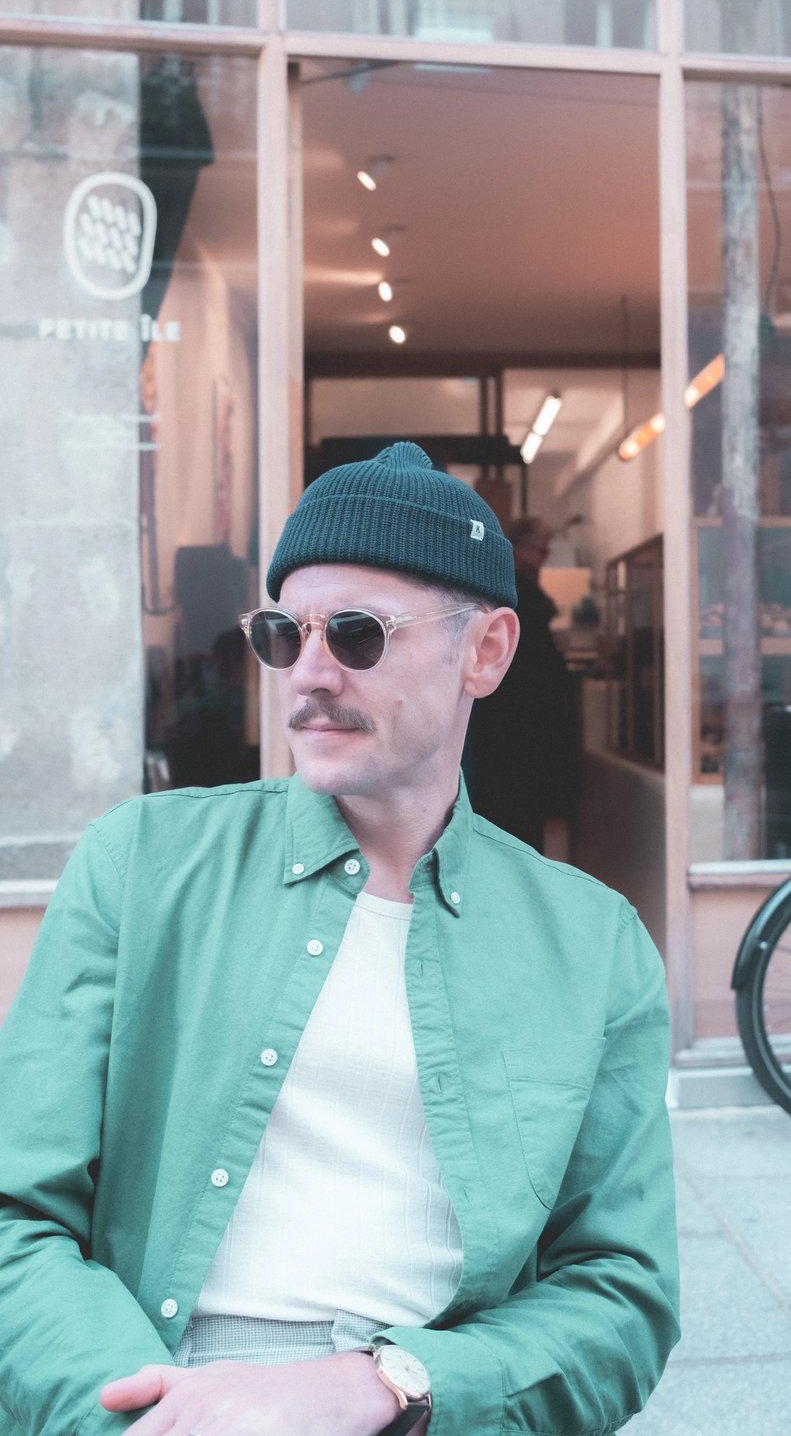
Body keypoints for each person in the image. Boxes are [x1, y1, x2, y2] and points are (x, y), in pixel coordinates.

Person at [0, 443, 679, 1436]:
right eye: (284, 634)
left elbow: (622, 1294)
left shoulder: (593, 943)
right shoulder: (142, 866)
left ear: (484, 651)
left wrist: (387, 1384)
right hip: (155, 1385)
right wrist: (149, 1414)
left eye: (357, 634)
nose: (310, 674)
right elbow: (17, 1213)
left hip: (422, 1399)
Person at [468, 515, 578, 851]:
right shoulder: (519, 598)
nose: (543, 557)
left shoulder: (513, 596)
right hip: (513, 728)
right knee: (514, 822)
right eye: (538, 549)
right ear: (517, 550)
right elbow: (536, 674)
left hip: (508, 728)